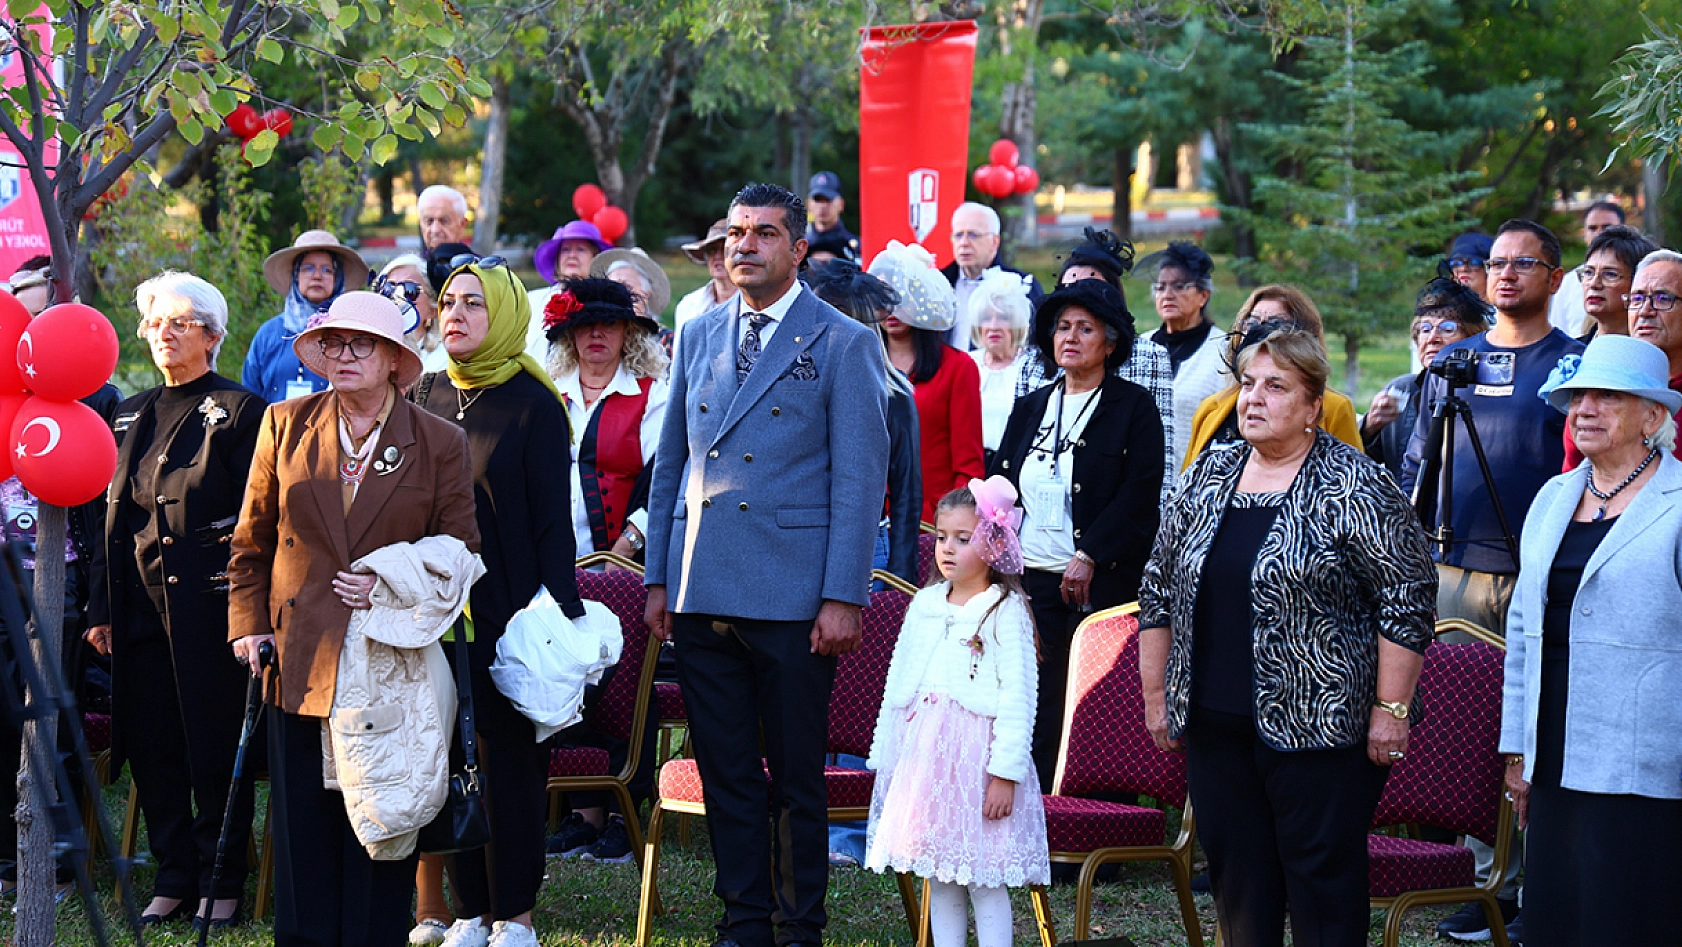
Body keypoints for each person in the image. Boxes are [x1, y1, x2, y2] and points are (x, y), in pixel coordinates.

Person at [642, 182, 889, 947]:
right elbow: (670, 464)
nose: (744, 246)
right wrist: (657, 575)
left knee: (795, 779)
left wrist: (842, 593)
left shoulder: (844, 340)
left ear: (799, 250)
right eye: (736, 233)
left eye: (764, 234)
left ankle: (798, 926)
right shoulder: (700, 332)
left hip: (793, 594)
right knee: (727, 774)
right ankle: (744, 921)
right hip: (703, 582)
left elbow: (859, 479)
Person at [1138, 328, 1436, 947]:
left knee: (1322, 892)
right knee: (1240, 891)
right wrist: (1157, 697)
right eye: (1248, 384)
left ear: (1311, 406)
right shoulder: (1209, 474)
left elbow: (1406, 602)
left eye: (1276, 386)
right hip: (1216, 727)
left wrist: (1391, 710)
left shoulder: (1355, 484)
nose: (1254, 398)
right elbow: (1158, 589)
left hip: (1322, 729)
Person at [227, 291, 479, 947]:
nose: (342, 354)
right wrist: (247, 625)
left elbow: (461, 549)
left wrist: (390, 571)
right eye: (333, 343)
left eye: (359, 343)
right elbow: (251, 542)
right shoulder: (284, 422)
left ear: (394, 359)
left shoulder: (440, 440)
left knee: (381, 829)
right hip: (298, 657)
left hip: (389, 665)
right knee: (302, 831)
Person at [1401, 219, 1585, 942]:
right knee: (1466, 725)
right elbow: (1418, 466)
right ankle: (1482, 883)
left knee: (1532, 733)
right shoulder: (1455, 361)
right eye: (1496, 263)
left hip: (1539, 573)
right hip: (1451, 568)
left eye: (1524, 263)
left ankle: (1536, 882)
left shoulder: (1573, 365)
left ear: (1554, 276)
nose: (1505, 274)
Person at [411, 257, 591, 947]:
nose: (454, 314)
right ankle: (469, 908)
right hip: (432, 614)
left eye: (474, 304)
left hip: (507, 615)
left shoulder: (534, 403)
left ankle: (515, 913)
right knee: (449, 763)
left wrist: (555, 616)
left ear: (506, 316)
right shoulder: (425, 391)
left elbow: (553, 523)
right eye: (449, 301)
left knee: (507, 765)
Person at [81, 272, 264, 928]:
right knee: (153, 748)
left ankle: (221, 875)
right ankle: (173, 871)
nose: (165, 333)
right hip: (136, 614)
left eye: (181, 323)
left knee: (209, 747)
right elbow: (111, 518)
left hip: (211, 614)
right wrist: (101, 606)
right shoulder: (128, 410)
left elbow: (255, 520)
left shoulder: (242, 411)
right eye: (157, 322)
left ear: (213, 335)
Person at [1501, 334, 1682, 947]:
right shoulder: (1554, 497)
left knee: (1626, 912)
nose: (1586, 410)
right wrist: (1516, 748)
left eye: (1608, 397)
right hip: (1552, 741)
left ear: (1652, 417)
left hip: (1646, 752)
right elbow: (1523, 631)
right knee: (1555, 911)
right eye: (1579, 397)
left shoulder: (1678, 504)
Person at [989, 279, 1164, 792]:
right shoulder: (1030, 407)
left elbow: (1139, 496)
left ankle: (1095, 821)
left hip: (1101, 585)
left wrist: (1090, 553)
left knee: (1090, 704)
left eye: (1085, 329)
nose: (1071, 337)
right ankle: (1034, 816)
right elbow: (1001, 489)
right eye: (1063, 327)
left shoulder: (1134, 407)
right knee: (1033, 701)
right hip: (1031, 583)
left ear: (1110, 342)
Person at [864, 479, 1049, 947]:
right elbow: (899, 684)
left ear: (993, 543)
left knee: (983, 875)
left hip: (977, 764)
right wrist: (887, 751)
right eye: (942, 536)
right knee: (939, 872)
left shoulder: (1004, 611)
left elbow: (1019, 698)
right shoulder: (924, 605)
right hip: (928, 761)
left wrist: (1004, 773)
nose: (947, 548)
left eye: (962, 539)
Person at [804, 259, 923, 586]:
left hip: (867, 548)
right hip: (797, 544)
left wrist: (900, 578)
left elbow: (907, 495)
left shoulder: (894, 395)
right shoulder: (793, 388)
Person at [1042, 228, 1177, 504]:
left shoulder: (1148, 356)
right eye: (1070, 286)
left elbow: (1160, 454)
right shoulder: (1034, 360)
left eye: (1090, 287)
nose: (1078, 295)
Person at [541, 277, 670, 564]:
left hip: (623, 564)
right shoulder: (549, 393)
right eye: (586, 324)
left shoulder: (652, 396)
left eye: (609, 323)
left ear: (628, 332)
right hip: (548, 563)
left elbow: (665, 479)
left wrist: (626, 547)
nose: (596, 333)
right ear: (571, 333)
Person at [1184, 284, 1362, 466]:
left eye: (1276, 323)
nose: (1259, 331)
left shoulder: (1334, 409)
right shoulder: (1210, 409)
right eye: (1252, 323)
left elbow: (1356, 477)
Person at [871, 240, 985, 523]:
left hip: (930, 527)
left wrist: (949, 528)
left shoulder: (958, 368)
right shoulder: (862, 363)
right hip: (869, 525)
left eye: (901, 293)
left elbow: (969, 467)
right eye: (882, 294)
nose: (891, 306)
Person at [1361, 278, 1492, 479]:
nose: (1433, 338)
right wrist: (1370, 428)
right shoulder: (1402, 390)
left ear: (1473, 337)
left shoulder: (1487, 391)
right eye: (1425, 329)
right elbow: (1357, 465)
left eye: (1447, 328)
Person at [244, 230, 369, 403]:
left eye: (327, 270)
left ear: (337, 278)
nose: (317, 276)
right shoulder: (269, 334)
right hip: (275, 429)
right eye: (308, 268)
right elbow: (250, 396)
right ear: (296, 275)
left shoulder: (350, 332)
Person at [1142, 242, 1227, 468]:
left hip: (1199, 478)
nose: (1167, 295)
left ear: (1203, 295)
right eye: (1160, 287)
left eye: (1179, 286)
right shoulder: (1140, 347)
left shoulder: (1224, 350)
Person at [941, 202, 1044, 348]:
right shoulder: (940, 284)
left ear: (994, 242)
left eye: (973, 235)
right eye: (958, 235)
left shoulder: (1020, 286)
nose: (963, 243)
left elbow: (1037, 342)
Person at [968, 269, 1033, 461]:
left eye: (1003, 317)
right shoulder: (967, 364)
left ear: (1018, 323)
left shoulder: (1031, 367)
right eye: (987, 318)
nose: (994, 326)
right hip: (972, 467)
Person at [525, 220, 612, 357]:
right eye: (566, 249)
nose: (572, 255)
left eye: (580, 249)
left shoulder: (609, 303)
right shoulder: (532, 299)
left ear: (596, 258)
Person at [1549, 201, 1626, 337]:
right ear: (1584, 233)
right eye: (1592, 228)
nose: (1599, 233)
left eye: (1606, 227)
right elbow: (1558, 330)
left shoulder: (1638, 277)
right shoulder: (1568, 283)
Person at [1574, 224, 1655, 340]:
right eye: (1588, 272)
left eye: (1610, 274)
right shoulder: (1570, 352)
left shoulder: (1655, 354)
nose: (1594, 284)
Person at [378, 254, 450, 374]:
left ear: (433, 311)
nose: (397, 297)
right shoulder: (361, 350)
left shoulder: (444, 359)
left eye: (409, 290)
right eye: (389, 288)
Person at [673, 219, 737, 331]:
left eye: (725, 250)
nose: (718, 256)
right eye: (712, 250)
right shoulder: (689, 305)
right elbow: (681, 348)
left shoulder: (756, 303)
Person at [591, 247, 672, 323]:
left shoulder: (663, 337)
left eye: (626, 287)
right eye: (611, 287)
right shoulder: (596, 334)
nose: (617, 293)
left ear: (647, 294)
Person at [805, 170, 860, 261]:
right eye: (817, 200)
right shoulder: (799, 247)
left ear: (841, 204)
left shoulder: (856, 248)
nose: (822, 206)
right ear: (808, 204)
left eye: (828, 200)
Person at [417, 185, 471, 254]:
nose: (435, 230)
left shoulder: (477, 264)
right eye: (429, 221)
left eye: (444, 221)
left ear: (462, 224)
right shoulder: (415, 263)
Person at [1445, 232, 1495, 305]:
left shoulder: (1505, 312)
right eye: (1456, 263)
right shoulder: (1443, 311)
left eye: (1474, 263)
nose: (1463, 269)